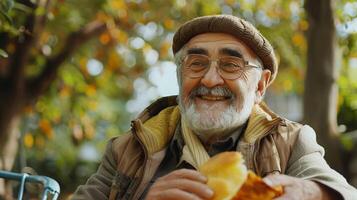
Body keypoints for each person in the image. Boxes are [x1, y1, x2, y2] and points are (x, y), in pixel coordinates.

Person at [72, 15, 357, 200]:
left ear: (260, 86)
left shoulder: (291, 142)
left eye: (231, 65)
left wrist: (312, 191)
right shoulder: (126, 150)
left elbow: (345, 193)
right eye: (196, 64)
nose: (209, 79)